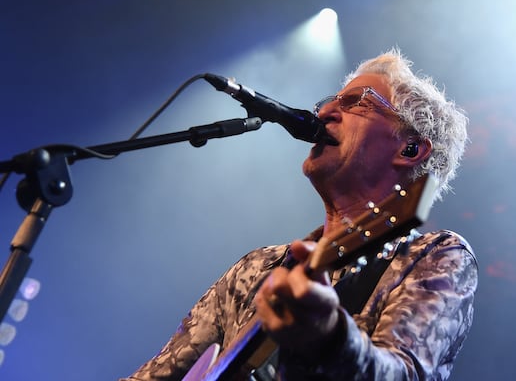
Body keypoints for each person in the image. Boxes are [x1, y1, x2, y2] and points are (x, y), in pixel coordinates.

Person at [123, 49, 477, 381]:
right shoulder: (257, 267)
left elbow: (401, 374)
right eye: (331, 101)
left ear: (410, 148)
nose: (324, 113)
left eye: (357, 103)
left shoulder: (436, 257)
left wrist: (332, 337)